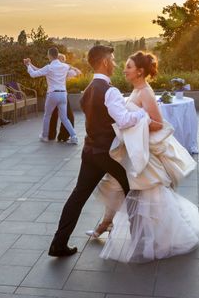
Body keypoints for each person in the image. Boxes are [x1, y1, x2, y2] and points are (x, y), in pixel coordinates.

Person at [95, 51, 199, 262]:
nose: (124, 69)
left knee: (150, 195)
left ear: (140, 71)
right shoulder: (136, 90)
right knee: (122, 188)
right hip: (133, 150)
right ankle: (109, 225)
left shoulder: (145, 92)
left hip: (144, 153)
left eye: (128, 66)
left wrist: (136, 122)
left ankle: (157, 237)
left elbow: (158, 123)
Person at [48, 45, 148, 257]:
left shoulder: (88, 90)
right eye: (112, 59)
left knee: (77, 197)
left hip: (90, 151)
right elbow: (123, 121)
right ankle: (141, 241)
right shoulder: (109, 91)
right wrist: (142, 115)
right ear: (104, 62)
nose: (115, 63)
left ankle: (58, 244)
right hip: (107, 155)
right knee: (132, 188)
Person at [24, 47, 79, 145]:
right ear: (57, 55)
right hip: (63, 94)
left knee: (47, 116)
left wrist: (28, 65)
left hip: (52, 94)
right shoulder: (65, 66)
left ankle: (45, 136)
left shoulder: (49, 67)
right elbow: (74, 70)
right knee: (64, 118)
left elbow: (33, 74)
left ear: (49, 55)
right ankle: (74, 136)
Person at [48, 54, 80, 142]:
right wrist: (70, 67)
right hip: (56, 94)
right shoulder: (52, 68)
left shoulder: (64, 69)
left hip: (61, 95)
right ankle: (51, 135)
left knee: (67, 116)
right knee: (53, 116)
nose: (63, 61)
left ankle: (63, 136)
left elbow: (78, 72)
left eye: (64, 60)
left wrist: (70, 67)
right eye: (61, 59)